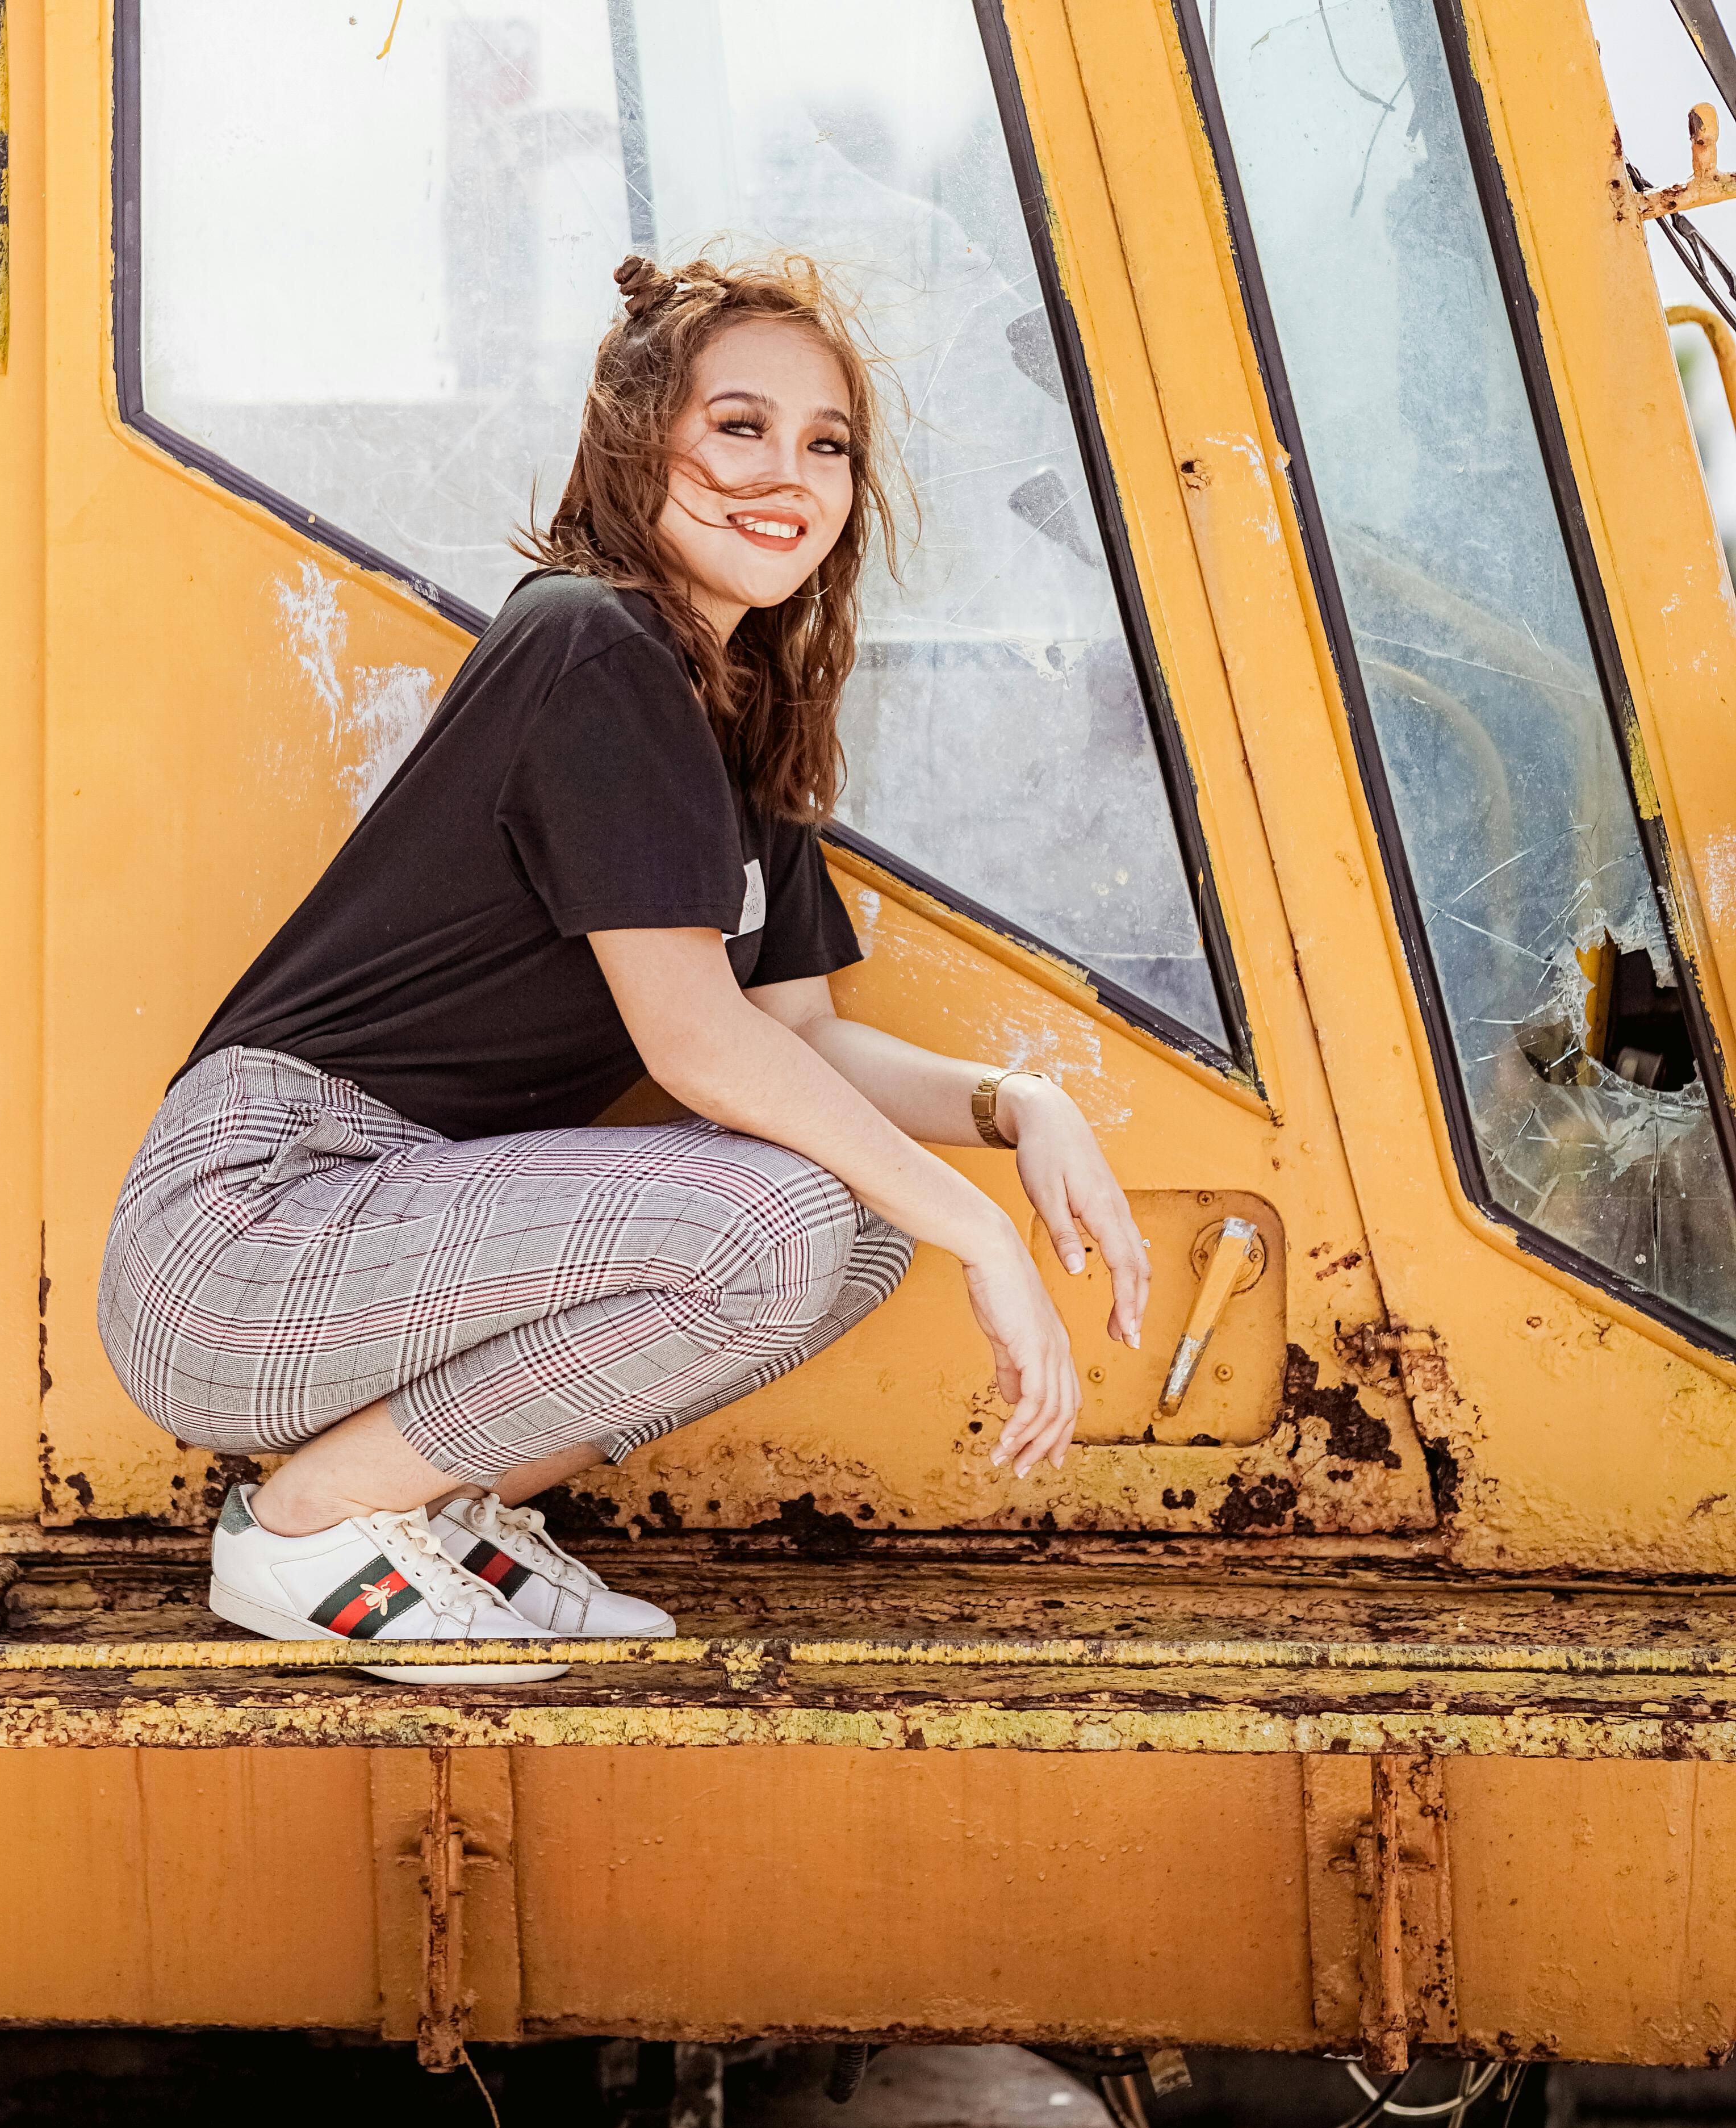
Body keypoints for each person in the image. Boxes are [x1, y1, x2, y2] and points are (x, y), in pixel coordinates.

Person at [99, 250, 1148, 1681]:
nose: (789, 472)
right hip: (249, 1232)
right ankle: (305, 1529)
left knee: (856, 1219)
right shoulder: (590, 642)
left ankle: (443, 1518)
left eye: (826, 445)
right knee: (784, 1214)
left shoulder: (736, 724)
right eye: (739, 426)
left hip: (383, 1240)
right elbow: (700, 1049)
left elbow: (801, 1043)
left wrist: (1017, 1105)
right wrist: (987, 1234)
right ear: (632, 440)